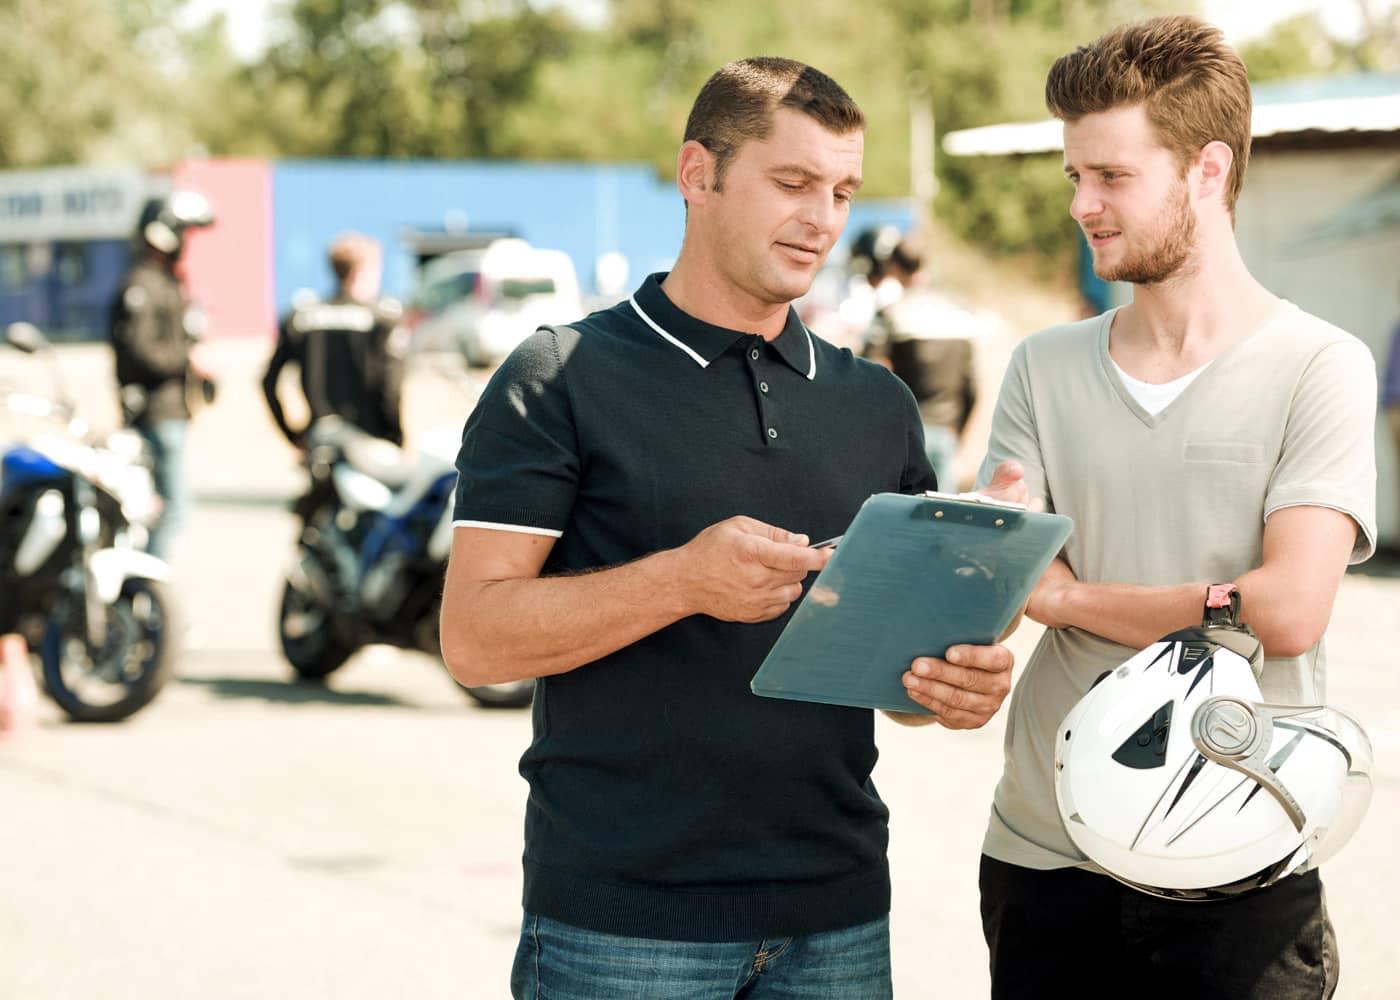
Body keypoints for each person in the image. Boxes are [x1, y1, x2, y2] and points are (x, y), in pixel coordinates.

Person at [440, 56, 1026, 999]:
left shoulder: (876, 404)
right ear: (697, 174)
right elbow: (473, 639)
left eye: (842, 191)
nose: (823, 219)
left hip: (836, 920)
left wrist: (947, 681)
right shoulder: (560, 376)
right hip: (620, 926)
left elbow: (899, 686)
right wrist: (680, 581)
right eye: (792, 183)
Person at [974, 16, 1377, 999]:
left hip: (1235, 853)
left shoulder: (1316, 365)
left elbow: (1285, 610)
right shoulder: (1039, 366)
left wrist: (1072, 602)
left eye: (1108, 176)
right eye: (1073, 175)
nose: (1080, 203)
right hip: (1042, 854)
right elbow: (1001, 580)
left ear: (1204, 170)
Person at [111, 191, 216, 560]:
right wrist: (188, 360)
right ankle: (149, 588)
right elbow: (142, 352)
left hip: (171, 410)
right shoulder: (141, 285)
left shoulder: (166, 282)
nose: (185, 244)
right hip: (155, 413)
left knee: (167, 508)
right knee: (171, 509)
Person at [858, 230, 982, 491]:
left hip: (905, 434)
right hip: (947, 430)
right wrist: (956, 431)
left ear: (893, 266)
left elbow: (863, 372)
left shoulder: (892, 315)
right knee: (945, 518)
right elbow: (971, 388)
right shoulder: (961, 312)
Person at [261, 232, 407, 451]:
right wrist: (395, 436)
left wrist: (292, 435)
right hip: (368, 437)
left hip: (318, 438)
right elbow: (390, 387)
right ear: (362, 271)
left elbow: (268, 381)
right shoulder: (381, 319)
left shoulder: (300, 319)